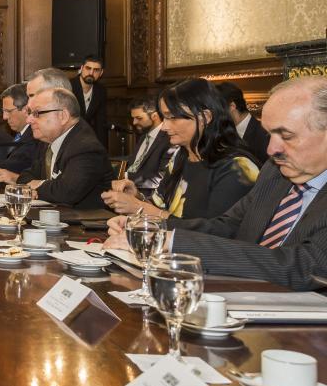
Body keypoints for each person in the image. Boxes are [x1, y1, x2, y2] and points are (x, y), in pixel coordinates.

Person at [105, 76, 327, 290]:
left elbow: (305, 266)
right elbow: (227, 226)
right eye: (270, 135)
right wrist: (149, 229)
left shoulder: (247, 166)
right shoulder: (275, 172)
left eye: (286, 136)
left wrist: (171, 243)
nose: (271, 150)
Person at [102, 79, 258, 220]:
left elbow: (215, 236)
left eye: (173, 117)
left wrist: (140, 209)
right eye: (165, 118)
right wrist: (137, 197)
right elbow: (161, 207)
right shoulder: (182, 155)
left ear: (205, 117)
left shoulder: (238, 167)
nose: (165, 127)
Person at [0, 88, 113, 208]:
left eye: (36, 113)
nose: (29, 120)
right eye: (29, 113)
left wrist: (37, 185)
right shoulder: (49, 141)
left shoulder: (85, 147)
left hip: (85, 224)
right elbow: (26, 175)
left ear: (63, 116)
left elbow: (66, 192)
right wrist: (38, 185)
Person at [125, 95, 173, 192]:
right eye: (133, 118)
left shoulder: (170, 139)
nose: (134, 122)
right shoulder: (144, 134)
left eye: (139, 118)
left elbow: (162, 177)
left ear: (154, 116)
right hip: (129, 190)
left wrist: (126, 178)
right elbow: (134, 165)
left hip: (148, 196)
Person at [218, 81, 271, 166]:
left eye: (217, 110)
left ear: (232, 106)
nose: (215, 116)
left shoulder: (265, 134)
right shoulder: (221, 135)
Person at [70, 55, 108, 150]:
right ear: (81, 68)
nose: (91, 73)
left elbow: (101, 122)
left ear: (101, 73)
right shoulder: (69, 86)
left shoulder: (101, 91)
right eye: (88, 68)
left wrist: (101, 150)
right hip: (69, 140)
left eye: (96, 70)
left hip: (89, 140)